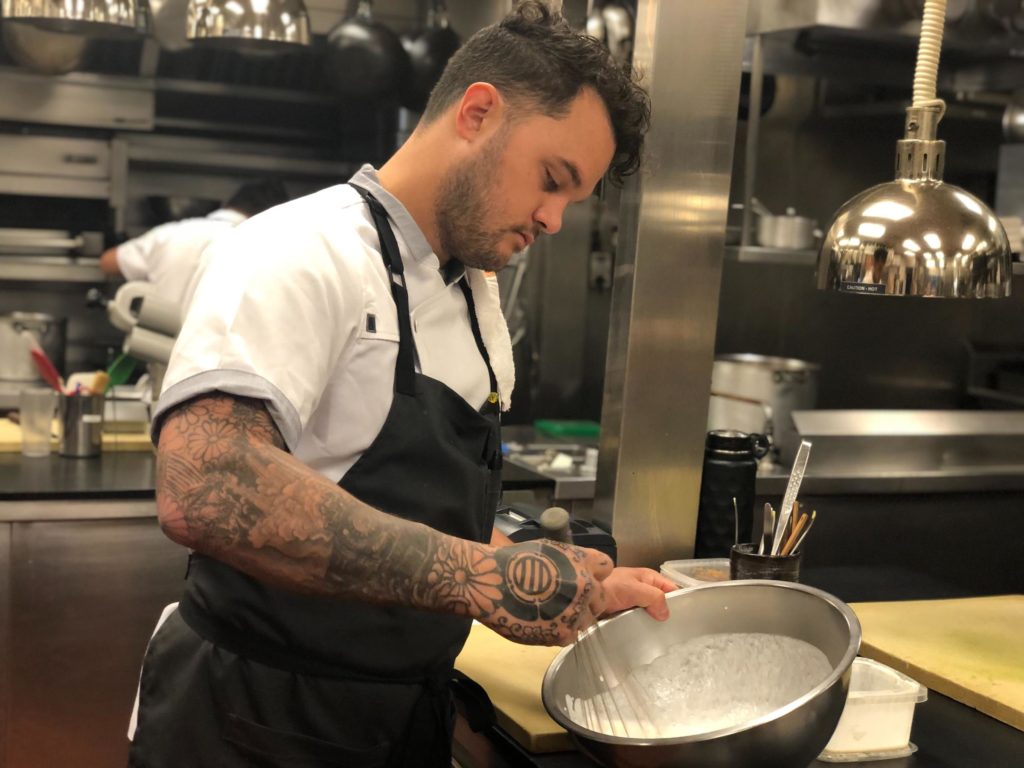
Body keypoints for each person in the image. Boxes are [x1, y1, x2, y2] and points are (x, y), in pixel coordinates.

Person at [128, 4, 672, 766]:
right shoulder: (298, 249)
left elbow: (405, 508)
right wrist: (485, 579)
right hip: (250, 717)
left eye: (570, 202)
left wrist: (544, 572)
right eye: (552, 181)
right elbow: (207, 483)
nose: (552, 219)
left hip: (394, 719)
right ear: (478, 113)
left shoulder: (474, 298)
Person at [99, 178, 290, 311]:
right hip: (226, 364)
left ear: (230, 203)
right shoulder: (266, 247)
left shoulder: (170, 234)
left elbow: (108, 262)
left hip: (159, 354)